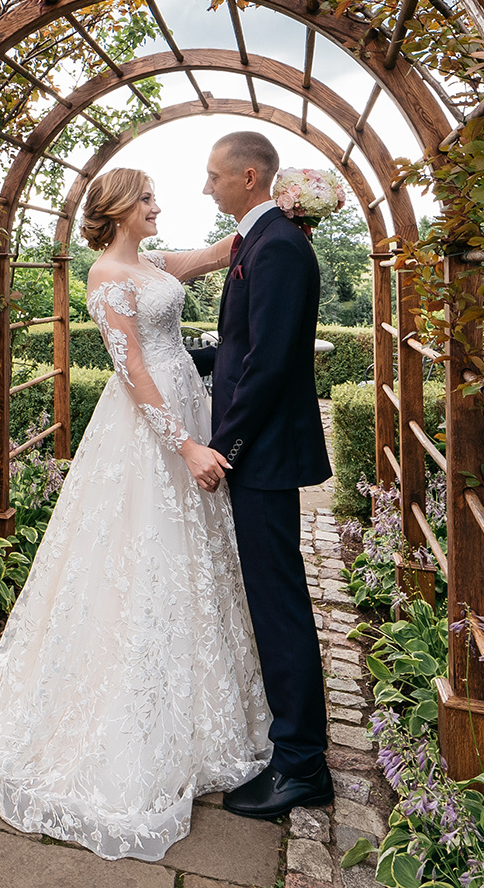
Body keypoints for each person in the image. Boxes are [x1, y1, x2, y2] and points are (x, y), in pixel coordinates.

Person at [0, 167, 272, 861]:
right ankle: (121, 717)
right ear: (117, 210)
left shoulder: (150, 262)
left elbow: (218, 253)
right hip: (152, 429)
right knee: (136, 557)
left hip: (188, 407)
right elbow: (132, 367)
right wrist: (184, 446)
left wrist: (280, 210)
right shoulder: (106, 275)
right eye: (148, 198)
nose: (158, 204)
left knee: (191, 558)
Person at [194, 130, 334, 819]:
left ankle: (302, 763)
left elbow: (272, 363)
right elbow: (245, 341)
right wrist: (199, 359)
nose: (207, 187)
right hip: (265, 450)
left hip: (265, 454)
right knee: (273, 599)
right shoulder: (262, 239)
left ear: (249, 177)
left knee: (279, 607)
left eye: (214, 176)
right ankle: (296, 751)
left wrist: (226, 445)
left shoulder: (277, 245)